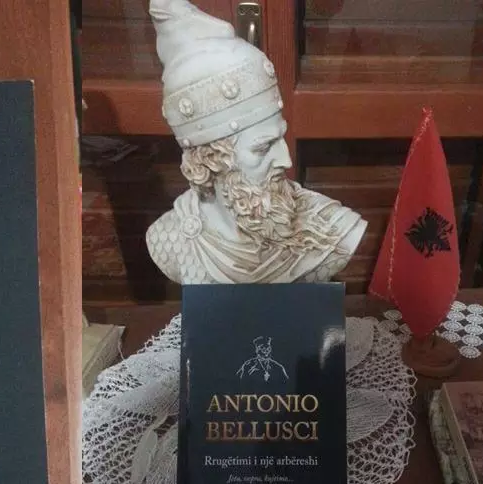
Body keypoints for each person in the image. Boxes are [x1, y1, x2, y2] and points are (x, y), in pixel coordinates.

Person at [146, 0, 366, 285]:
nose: (286, 160)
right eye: (263, 148)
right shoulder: (169, 238)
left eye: (280, 138)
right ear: (211, 161)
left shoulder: (332, 229)